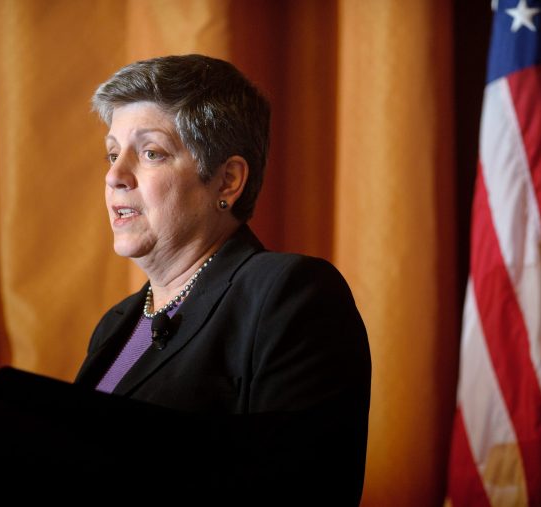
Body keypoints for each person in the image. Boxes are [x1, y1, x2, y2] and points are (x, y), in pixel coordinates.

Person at [73, 55, 371, 502]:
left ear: (228, 181)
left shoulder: (291, 296)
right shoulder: (115, 326)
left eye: (151, 153)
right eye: (113, 154)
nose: (115, 176)